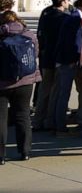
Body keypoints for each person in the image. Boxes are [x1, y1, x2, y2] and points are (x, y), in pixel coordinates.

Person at [0, 10, 40, 163]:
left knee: (1, 119)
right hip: (25, 81)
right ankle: (25, 151)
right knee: (23, 116)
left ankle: (1, 156)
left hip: (2, 83)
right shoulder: (29, 34)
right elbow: (34, 54)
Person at [51, 0, 82, 134]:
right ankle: (59, 125)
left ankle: (56, 122)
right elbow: (75, 42)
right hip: (69, 61)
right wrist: (76, 59)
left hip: (64, 59)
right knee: (64, 93)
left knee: (61, 93)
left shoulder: (71, 17)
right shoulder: (75, 18)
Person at [33, 0, 68, 131]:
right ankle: (49, 120)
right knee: (55, 91)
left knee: (44, 90)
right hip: (58, 57)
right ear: (63, 2)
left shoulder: (46, 16)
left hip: (46, 56)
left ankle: (37, 120)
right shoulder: (65, 18)